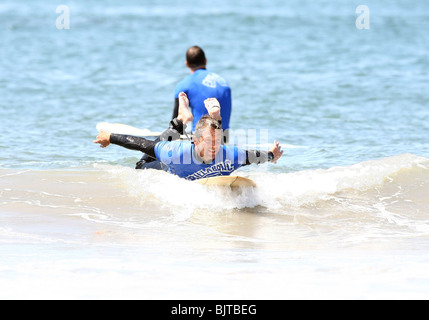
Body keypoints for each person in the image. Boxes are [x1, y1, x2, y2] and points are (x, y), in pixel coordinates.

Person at [94, 93, 283, 181]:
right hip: (165, 167)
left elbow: (252, 157)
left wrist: (271, 155)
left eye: (217, 142)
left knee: (215, 134)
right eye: (208, 143)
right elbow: (142, 144)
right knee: (139, 166)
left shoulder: (230, 155)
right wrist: (110, 137)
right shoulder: (177, 153)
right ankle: (181, 120)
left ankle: (212, 119)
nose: (213, 147)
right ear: (195, 141)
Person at [172, 46, 232, 141]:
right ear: (205, 61)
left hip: (201, 140)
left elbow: (176, 124)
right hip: (223, 138)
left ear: (187, 64)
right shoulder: (223, 82)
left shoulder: (183, 85)